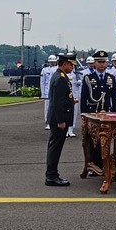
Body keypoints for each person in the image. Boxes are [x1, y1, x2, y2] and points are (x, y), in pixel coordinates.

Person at [80, 50, 116, 172]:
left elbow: (114, 98)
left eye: (104, 62)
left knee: (106, 140)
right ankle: (93, 166)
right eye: (99, 62)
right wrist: (83, 114)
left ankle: (105, 164)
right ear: (94, 63)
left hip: (107, 113)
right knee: (93, 141)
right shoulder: (88, 78)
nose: (102, 64)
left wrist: (115, 113)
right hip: (93, 113)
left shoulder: (110, 78)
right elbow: (84, 97)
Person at [45, 53, 78, 187]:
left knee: (55, 147)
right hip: (59, 119)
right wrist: (60, 121)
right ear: (65, 64)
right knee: (55, 147)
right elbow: (57, 102)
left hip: (59, 117)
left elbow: (62, 98)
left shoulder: (61, 76)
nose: (72, 67)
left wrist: (71, 101)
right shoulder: (60, 78)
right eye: (71, 65)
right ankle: (52, 176)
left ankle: (52, 174)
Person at [40, 55, 58, 130]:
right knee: (47, 108)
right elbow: (42, 82)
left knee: (56, 107)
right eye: (51, 62)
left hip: (56, 90)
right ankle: (48, 122)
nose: (52, 63)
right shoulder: (45, 70)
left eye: (53, 62)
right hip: (47, 91)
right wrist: (42, 92)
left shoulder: (58, 69)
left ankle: (56, 121)